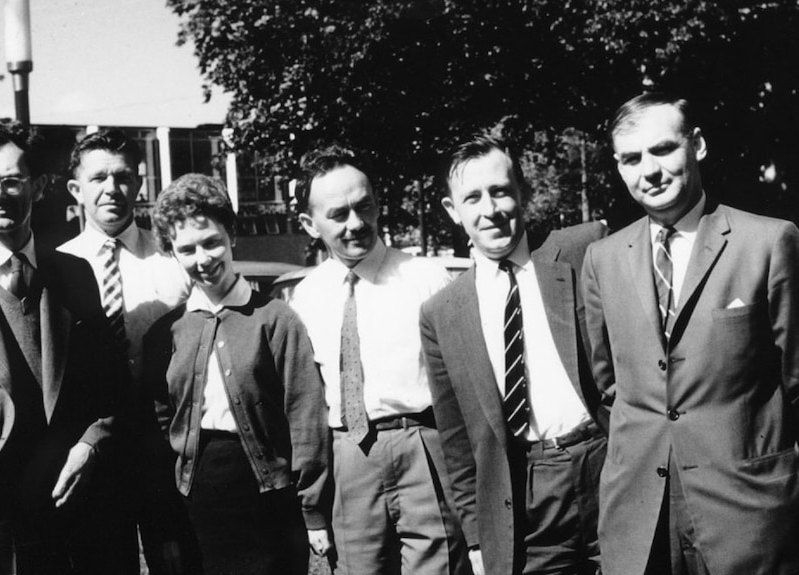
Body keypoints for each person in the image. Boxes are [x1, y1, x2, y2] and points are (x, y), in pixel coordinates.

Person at [582, 92, 799, 575]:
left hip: (745, 511)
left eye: (663, 150)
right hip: (638, 514)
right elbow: (607, 386)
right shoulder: (603, 259)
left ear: (696, 144)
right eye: (632, 159)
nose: (649, 171)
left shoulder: (768, 241)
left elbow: (794, 378)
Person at [0, 120, 123, 574]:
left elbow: (110, 384)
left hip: (68, 502)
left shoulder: (76, 275)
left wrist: (89, 447)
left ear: (38, 186)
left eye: (12, 180)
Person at [420, 135, 608, 575]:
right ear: (453, 211)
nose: (490, 210)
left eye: (501, 191)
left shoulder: (581, 250)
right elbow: (456, 441)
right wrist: (477, 538)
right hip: (528, 490)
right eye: (472, 198)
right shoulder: (442, 313)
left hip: (604, 462)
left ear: (522, 192)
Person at [290, 144, 470, 575]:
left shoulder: (426, 279)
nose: (356, 224)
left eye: (364, 206)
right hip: (348, 457)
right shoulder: (306, 296)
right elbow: (307, 399)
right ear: (309, 224)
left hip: (422, 444)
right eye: (338, 215)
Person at [143, 173, 329, 575]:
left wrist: (312, 507)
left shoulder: (276, 319)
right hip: (197, 497)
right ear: (172, 252)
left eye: (211, 242)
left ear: (231, 236)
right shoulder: (166, 332)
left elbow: (305, 414)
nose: (203, 258)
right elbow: (160, 425)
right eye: (187, 249)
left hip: (267, 497)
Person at [57, 128, 190, 573]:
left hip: (166, 448)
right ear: (76, 189)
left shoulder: (174, 260)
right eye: (97, 179)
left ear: (139, 183)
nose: (111, 189)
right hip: (95, 451)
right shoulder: (56, 268)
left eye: (122, 177)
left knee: (178, 562)